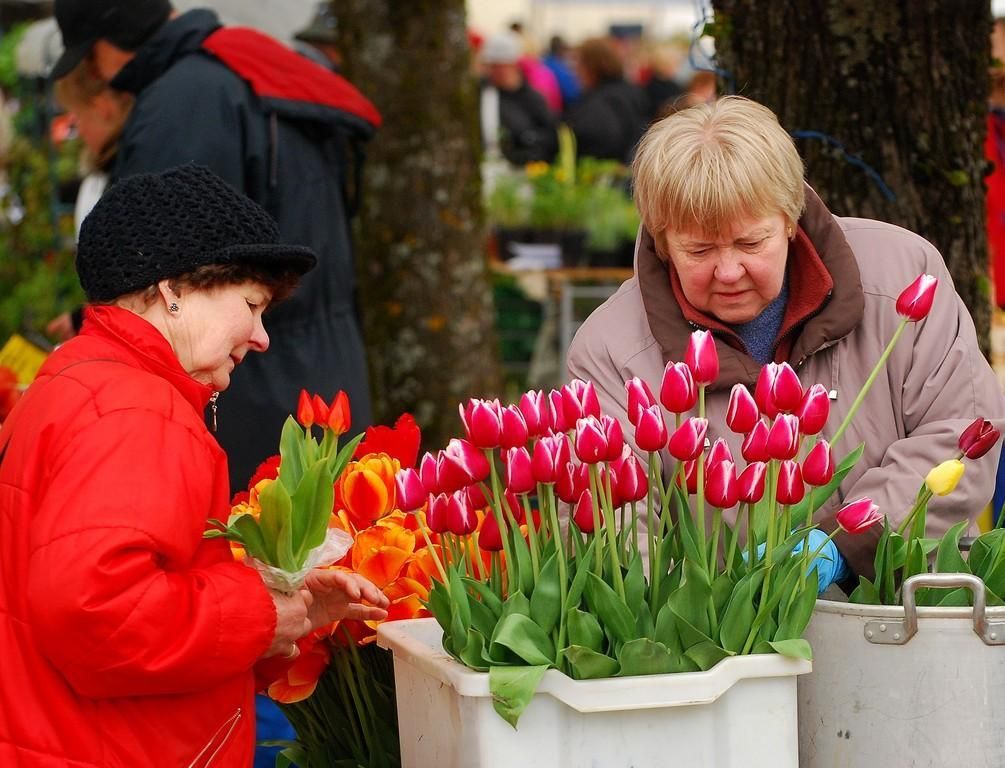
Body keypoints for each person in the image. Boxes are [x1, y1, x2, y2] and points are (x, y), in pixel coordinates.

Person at [0, 164, 389, 766]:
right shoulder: (135, 408)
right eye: (252, 305)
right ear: (173, 290)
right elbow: (99, 613)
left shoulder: (76, 382)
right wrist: (260, 612)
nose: (261, 337)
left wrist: (286, 607)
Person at [567, 96, 1005, 589]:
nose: (728, 271)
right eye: (699, 250)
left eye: (751, 243)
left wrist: (847, 541)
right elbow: (619, 524)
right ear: (662, 241)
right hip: (727, 628)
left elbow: (958, 432)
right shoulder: (611, 350)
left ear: (791, 219)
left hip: (900, 604)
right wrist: (707, 610)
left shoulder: (903, 277)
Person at [51, 0, 380, 495]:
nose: (100, 76)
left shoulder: (184, 101)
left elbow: (156, 270)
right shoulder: (256, 68)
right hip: (326, 366)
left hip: (249, 391)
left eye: (92, 60)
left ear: (109, 43)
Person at [46, 56, 134, 342]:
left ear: (103, 108)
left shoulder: (129, 175)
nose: (79, 131)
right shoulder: (117, 167)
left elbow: (133, 282)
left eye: (78, 117)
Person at [479, 30, 558, 166]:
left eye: (499, 66)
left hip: (523, 170)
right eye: (491, 66)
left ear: (513, 64)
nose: (494, 71)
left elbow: (549, 137)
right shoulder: (484, 94)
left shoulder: (533, 99)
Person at [564, 36, 648, 164]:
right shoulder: (630, 90)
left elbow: (601, 142)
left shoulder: (600, 101)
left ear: (592, 66)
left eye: (579, 64)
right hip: (630, 167)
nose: (575, 71)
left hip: (607, 171)